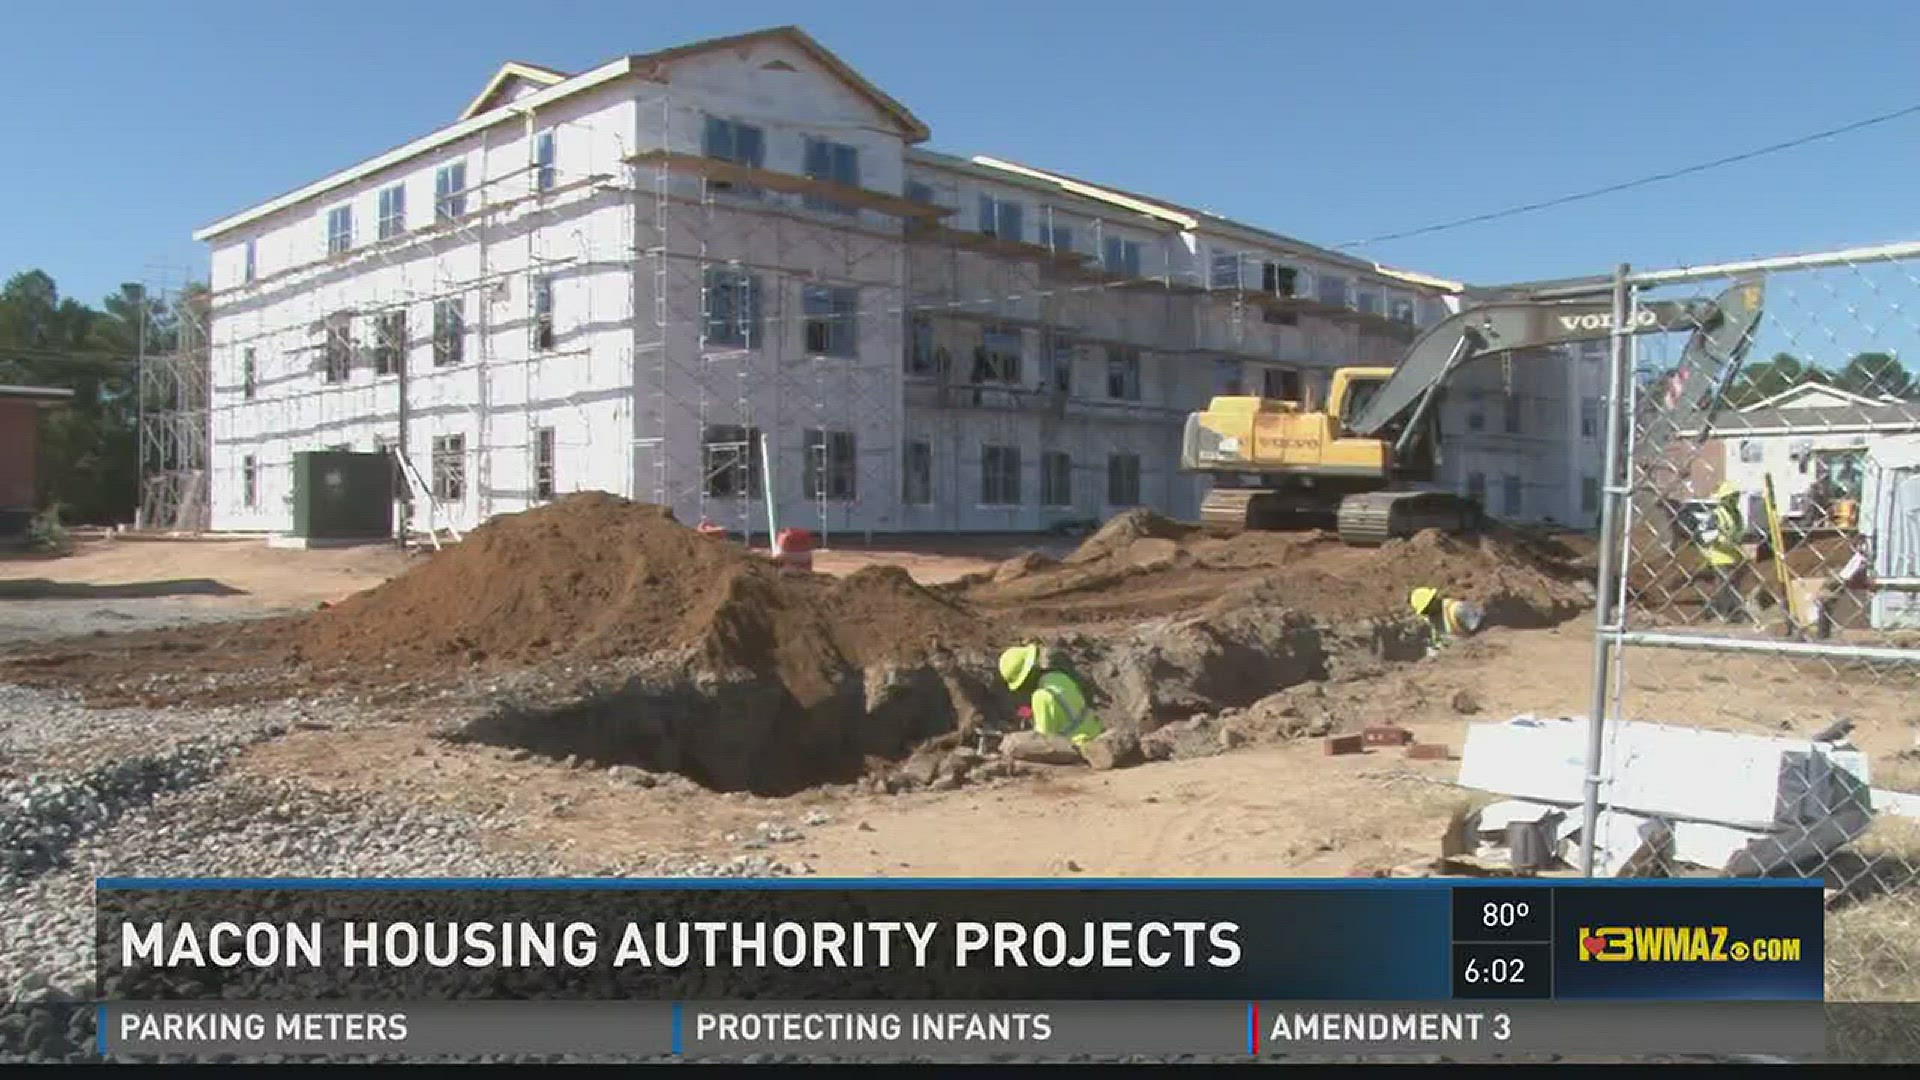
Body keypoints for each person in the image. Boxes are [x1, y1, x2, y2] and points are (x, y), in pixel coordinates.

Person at [998, 644, 1104, 745]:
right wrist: (1033, 713)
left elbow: (1044, 740)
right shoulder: (1057, 677)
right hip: (1096, 732)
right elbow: (1066, 710)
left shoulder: (1040, 697)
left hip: (1079, 744)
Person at [1700, 481, 1752, 622]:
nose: (1735, 499)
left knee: (1733, 587)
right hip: (1720, 557)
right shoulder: (1717, 514)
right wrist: (1720, 540)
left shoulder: (1737, 515)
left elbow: (1739, 535)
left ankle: (1730, 613)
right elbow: (1706, 535)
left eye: (1736, 496)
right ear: (1724, 498)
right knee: (1724, 587)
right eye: (1732, 496)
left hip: (1734, 557)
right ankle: (1722, 614)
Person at [1409, 587, 1482, 649]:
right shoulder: (1430, 620)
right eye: (1424, 611)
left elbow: (1482, 631)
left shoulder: (1457, 609)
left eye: (1427, 608)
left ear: (1434, 599)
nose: (1427, 613)